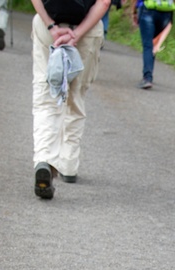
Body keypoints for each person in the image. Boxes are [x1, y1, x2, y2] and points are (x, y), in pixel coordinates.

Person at [31, 0, 110, 199]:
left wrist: (51, 25)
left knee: (46, 94)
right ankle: (68, 165)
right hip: (88, 29)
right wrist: (77, 34)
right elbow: (104, 2)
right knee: (75, 96)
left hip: (45, 27)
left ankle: (44, 159)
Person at [133, 0, 175, 89]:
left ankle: (147, 78)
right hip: (166, 13)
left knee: (148, 46)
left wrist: (134, 11)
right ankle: (148, 74)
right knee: (154, 43)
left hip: (148, 10)